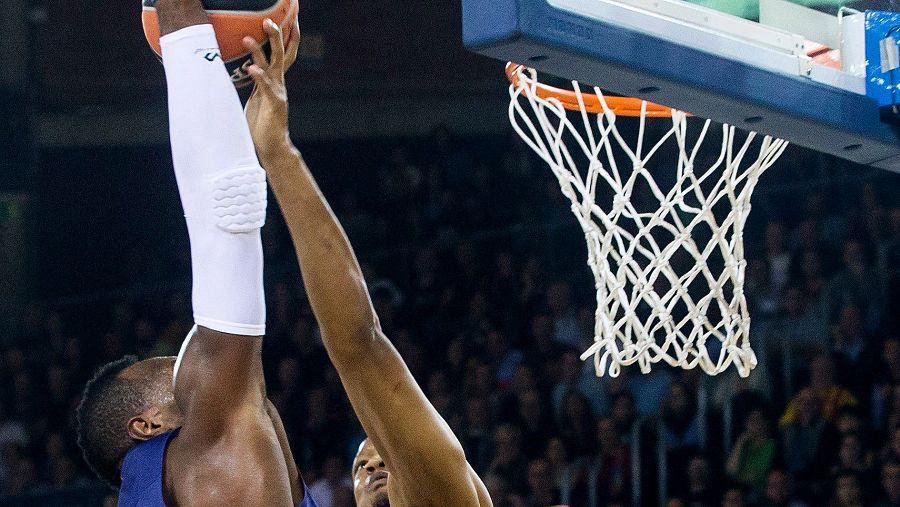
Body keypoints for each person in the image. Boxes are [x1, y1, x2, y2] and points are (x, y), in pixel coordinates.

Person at [241, 19, 493, 507]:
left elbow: (360, 345)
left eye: (385, 457)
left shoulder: (441, 497)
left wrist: (278, 155)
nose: (375, 465)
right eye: (361, 464)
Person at [75, 1, 314, 505]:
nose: (201, 364)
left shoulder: (203, 456)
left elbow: (227, 218)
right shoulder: (204, 457)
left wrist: (184, 26)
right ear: (150, 425)